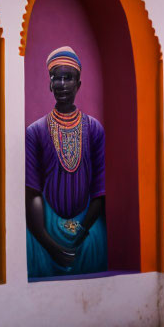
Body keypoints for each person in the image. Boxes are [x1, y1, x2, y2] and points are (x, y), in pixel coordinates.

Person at [25, 46, 107, 277]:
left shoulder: (94, 129)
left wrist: (80, 233)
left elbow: (100, 190)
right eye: (56, 78)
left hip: (88, 231)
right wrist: (48, 243)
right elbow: (33, 193)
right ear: (49, 84)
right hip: (45, 230)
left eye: (68, 78)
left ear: (78, 84)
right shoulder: (36, 131)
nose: (61, 84)